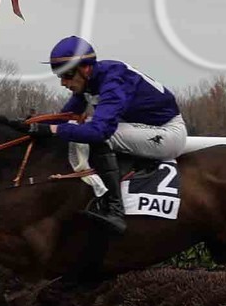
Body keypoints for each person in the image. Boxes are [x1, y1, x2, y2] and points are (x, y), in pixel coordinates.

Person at [29, 36, 187, 235]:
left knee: (97, 133)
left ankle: (115, 209)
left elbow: (99, 131)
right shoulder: (90, 82)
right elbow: (65, 117)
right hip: (142, 128)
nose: (63, 82)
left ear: (85, 68)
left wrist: (54, 130)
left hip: (168, 133)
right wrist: (29, 125)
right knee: (81, 127)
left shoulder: (113, 81)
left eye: (67, 75)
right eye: (59, 75)